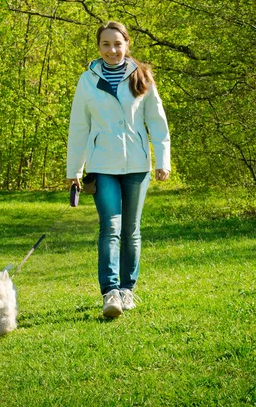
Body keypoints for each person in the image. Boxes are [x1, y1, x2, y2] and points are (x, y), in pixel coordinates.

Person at [67, 21, 170, 318]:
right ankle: (110, 293)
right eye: (105, 45)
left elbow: (157, 121)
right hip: (102, 166)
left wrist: (163, 161)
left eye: (117, 44)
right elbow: (79, 127)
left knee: (131, 230)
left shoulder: (142, 76)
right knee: (110, 228)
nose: (112, 50)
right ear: (98, 47)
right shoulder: (87, 80)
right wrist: (74, 169)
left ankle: (128, 290)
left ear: (127, 44)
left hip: (137, 166)